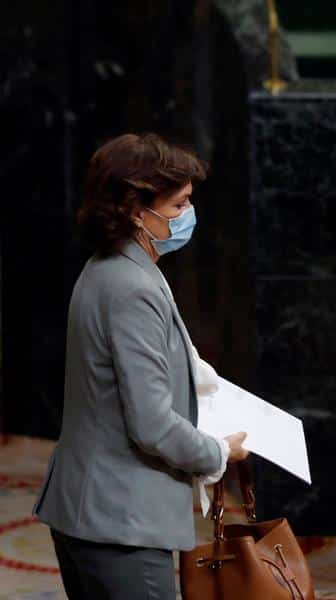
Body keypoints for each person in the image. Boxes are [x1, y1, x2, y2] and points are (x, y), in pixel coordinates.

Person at [33, 133, 249, 600]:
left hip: (92, 512)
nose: (187, 217)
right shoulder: (132, 287)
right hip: (119, 523)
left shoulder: (108, 268)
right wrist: (217, 453)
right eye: (178, 206)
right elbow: (151, 424)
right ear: (136, 211)